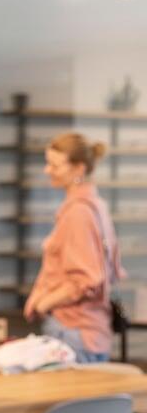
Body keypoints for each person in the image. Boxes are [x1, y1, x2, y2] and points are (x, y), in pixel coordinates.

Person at [24, 132, 125, 363]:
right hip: (89, 329)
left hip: (73, 330)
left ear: (79, 169)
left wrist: (45, 303)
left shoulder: (78, 213)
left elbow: (88, 279)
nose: (47, 170)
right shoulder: (95, 206)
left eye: (55, 165)